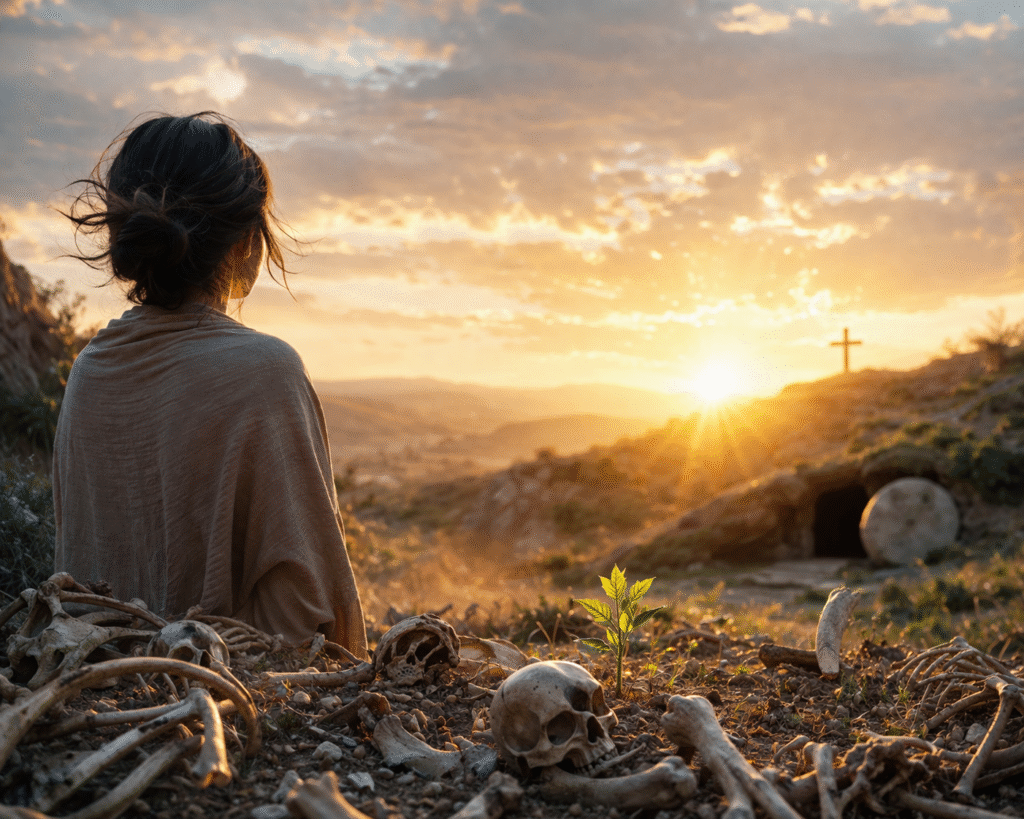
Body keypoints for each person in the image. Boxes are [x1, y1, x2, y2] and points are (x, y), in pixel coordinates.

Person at [54, 112, 368, 659]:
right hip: (217, 693)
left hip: (101, 683)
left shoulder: (90, 369)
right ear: (246, 241)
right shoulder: (266, 371)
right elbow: (307, 608)